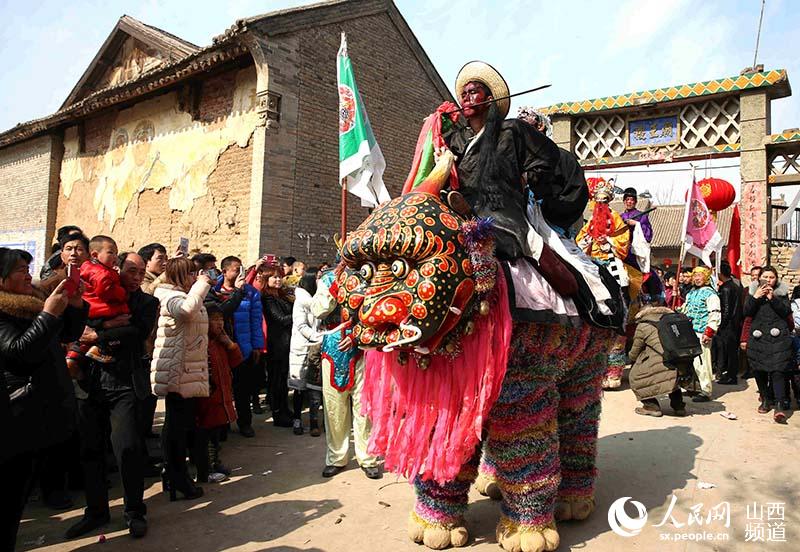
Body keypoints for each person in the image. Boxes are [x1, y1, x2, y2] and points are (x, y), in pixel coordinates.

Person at [66, 252, 158, 540]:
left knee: (127, 449)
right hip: (89, 383)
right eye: (131, 270)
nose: (136, 277)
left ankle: (134, 511)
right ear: (116, 269)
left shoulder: (147, 302)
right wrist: (100, 329)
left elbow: (136, 332)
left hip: (124, 384)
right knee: (90, 451)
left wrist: (96, 335)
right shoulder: (92, 296)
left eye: (141, 272)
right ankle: (96, 512)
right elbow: (73, 329)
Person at [0, 248, 87, 550]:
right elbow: (20, 353)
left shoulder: (32, 303)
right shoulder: (4, 311)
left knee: (19, 494)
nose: (28, 274)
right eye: (20, 269)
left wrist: (74, 306)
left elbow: (66, 334)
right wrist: (49, 314)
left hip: (41, 413)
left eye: (28, 268)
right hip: (15, 416)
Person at [152, 257, 212, 501]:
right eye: (190, 274)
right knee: (176, 426)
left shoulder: (183, 294)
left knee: (181, 424)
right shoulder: (169, 296)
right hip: (178, 368)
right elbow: (186, 312)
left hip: (188, 367)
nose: (193, 278)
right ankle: (176, 475)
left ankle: (176, 475)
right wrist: (202, 285)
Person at [312, 268, 381, 479]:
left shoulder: (371, 275)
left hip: (363, 346)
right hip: (334, 345)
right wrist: (334, 287)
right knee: (334, 406)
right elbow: (318, 310)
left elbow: (376, 312)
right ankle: (336, 457)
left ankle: (367, 458)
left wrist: (359, 335)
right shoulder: (328, 278)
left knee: (364, 406)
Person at [212, 256, 264, 437]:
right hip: (221, 347)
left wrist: (257, 345)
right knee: (222, 388)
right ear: (224, 271)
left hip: (243, 347)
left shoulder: (251, 292)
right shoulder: (214, 290)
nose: (239, 273)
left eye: (241, 269)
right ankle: (222, 423)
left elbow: (256, 320)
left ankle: (245, 422)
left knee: (243, 389)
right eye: (235, 269)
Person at [194, 304, 242, 483]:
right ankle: (207, 466)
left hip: (222, 394)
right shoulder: (201, 342)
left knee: (216, 433)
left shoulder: (221, 341)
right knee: (205, 433)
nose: (219, 323)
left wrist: (230, 344)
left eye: (220, 319)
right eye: (214, 319)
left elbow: (236, 361)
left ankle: (215, 462)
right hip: (208, 396)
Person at [628, 277, 686, 417]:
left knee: (635, 377)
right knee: (671, 378)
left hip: (660, 359)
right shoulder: (669, 318)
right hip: (678, 358)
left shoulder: (643, 325)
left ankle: (651, 406)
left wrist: (631, 359)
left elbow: (635, 351)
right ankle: (679, 407)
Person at [743, 266, 793, 423]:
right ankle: (765, 399)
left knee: (778, 371)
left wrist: (773, 298)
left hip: (778, 338)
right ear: (759, 279)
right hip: (758, 338)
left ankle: (779, 405)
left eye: (772, 277)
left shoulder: (782, 294)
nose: (769, 280)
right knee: (759, 370)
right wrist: (756, 297)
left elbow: (786, 312)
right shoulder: (752, 293)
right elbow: (746, 312)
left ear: (776, 279)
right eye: (765, 277)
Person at [72, 235, 130, 365]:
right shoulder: (101, 273)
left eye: (116, 253)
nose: (115, 257)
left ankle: (74, 356)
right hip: (102, 311)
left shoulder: (91, 268)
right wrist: (123, 293)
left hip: (93, 310)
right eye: (110, 252)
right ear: (94, 255)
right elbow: (106, 292)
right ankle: (100, 350)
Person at [288, 271, 323, 436]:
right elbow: (301, 325)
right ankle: (297, 419)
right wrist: (316, 337)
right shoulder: (301, 301)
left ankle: (314, 422)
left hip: (315, 348)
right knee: (300, 388)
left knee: (315, 386)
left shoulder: (317, 301)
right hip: (302, 348)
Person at [261, 265, 294, 427]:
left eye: (280, 276)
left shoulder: (282, 296)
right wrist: (298, 315)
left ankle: (284, 408)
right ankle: (277, 413)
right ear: (266, 280)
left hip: (286, 341)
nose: (278, 279)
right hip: (276, 342)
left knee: (283, 378)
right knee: (276, 380)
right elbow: (279, 319)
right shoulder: (267, 298)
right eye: (274, 277)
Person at [681, 267, 720, 402]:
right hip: (689, 331)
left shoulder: (711, 294)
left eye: (700, 275)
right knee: (689, 362)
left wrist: (709, 331)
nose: (697, 278)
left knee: (702, 362)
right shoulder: (690, 293)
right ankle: (692, 386)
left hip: (702, 332)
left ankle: (705, 390)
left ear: (706, 277)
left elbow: (715, 313)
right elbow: (686, 309)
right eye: (695, 275)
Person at [714, 261, 743, 385]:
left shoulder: (726, 288)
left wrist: (721, 324)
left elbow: (726, 310)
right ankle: (731, 374)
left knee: (730, 351)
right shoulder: (734, 285)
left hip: (729, 325)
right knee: (731, 351)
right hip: (735, 323)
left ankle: (731, 376)